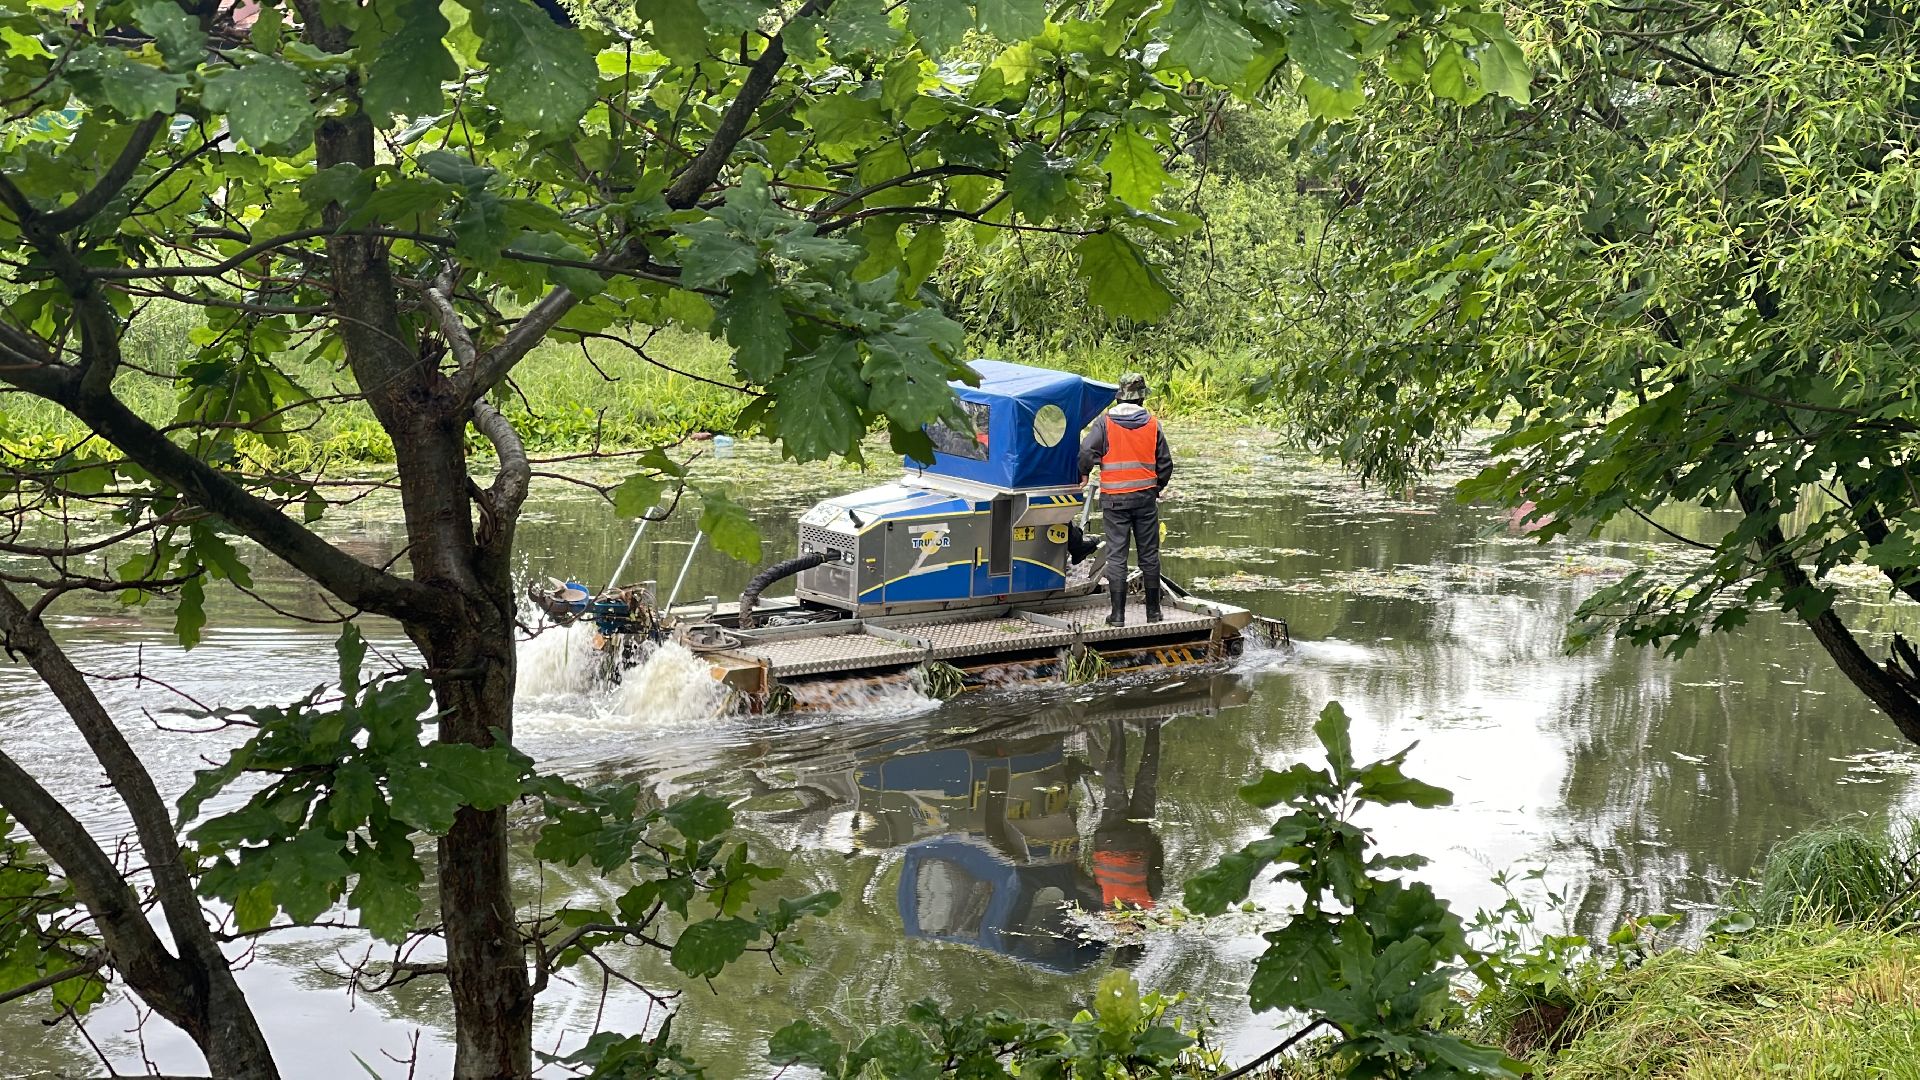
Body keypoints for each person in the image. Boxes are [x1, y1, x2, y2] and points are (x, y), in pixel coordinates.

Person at [1078, 372, 1173, 626]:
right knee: (1149, 555)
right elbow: (1165, 463)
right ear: (1142, 398)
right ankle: (1153, 612)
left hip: (1114, 501)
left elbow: (1087, 450)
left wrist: (1084, 473)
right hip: (1144, 500)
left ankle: (1117, 616)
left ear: (1120, 397)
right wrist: (1155, 487)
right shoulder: (1153, 424)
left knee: (1117, 556)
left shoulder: (1104, 423)